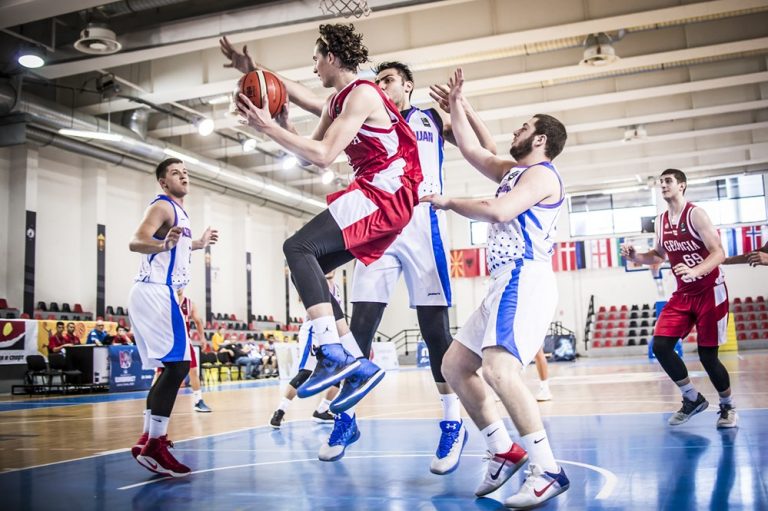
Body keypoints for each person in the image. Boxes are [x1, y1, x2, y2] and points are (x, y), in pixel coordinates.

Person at [226, 23, 422, 461]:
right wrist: (279, 123)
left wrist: (267, 126)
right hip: (377, 192)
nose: (314, 67)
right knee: (311, 266)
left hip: (385, 190)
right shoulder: (339, 100)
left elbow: (324, 155)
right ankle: (355, 361)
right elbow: (310, 154)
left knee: (297, 248)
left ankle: (332, 352)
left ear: (332, 56)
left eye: (316, 58)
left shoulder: (363, 93)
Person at [421, 68, 570, 508]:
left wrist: (449, 202)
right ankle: (503, 448)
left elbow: (500, 211)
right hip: (502, 282)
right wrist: (458, 105)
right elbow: (473, 148)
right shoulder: (513, 171)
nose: (515, 131)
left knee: (500, 370)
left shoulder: (541, 176)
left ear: (540, 139)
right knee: (454, 366)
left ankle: (548, 469)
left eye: (524, 127)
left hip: (525, 277)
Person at [622, 168, 738, 430]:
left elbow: (719, 253)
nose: (663, 185)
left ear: (682, 185)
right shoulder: (661, 221)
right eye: (660, 182)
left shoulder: (696, 214)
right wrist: (635, 256)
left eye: (668, 181)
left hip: (710, 291)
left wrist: (696, 271)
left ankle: (728, 406)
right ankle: (692, 398)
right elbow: (658, 256)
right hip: (684, 293)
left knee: (708, 356)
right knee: (661, 346)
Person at [127, 157, 218, 477]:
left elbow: (175, 247)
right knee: (179, 365)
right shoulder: (162, 206)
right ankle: (155, 444)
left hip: (152, 292)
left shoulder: (179, 211)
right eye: (176, 173)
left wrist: (198, 243)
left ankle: (148, 439)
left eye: (186, 172)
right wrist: (161, 243)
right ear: (163, 182)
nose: (183, 176)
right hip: (157, 291)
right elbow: (136, 241)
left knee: (170, 367)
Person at [270, 272, 343, 429]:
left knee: (340, 372)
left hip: (330, 331)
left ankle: (322, 410)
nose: (330, 270)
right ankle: (280, 411)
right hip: (314, 330)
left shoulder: (336, 288)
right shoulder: (316, 283)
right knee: (305, 373)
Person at [178, 291, 212, 412]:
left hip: (185, 341)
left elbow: (198, 321)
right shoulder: (166, 299)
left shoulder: (189, 303)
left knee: (193, 370)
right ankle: (151, 405)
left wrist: (202, 338)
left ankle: (198, 401)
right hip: (167, 341)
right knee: (160, 372)